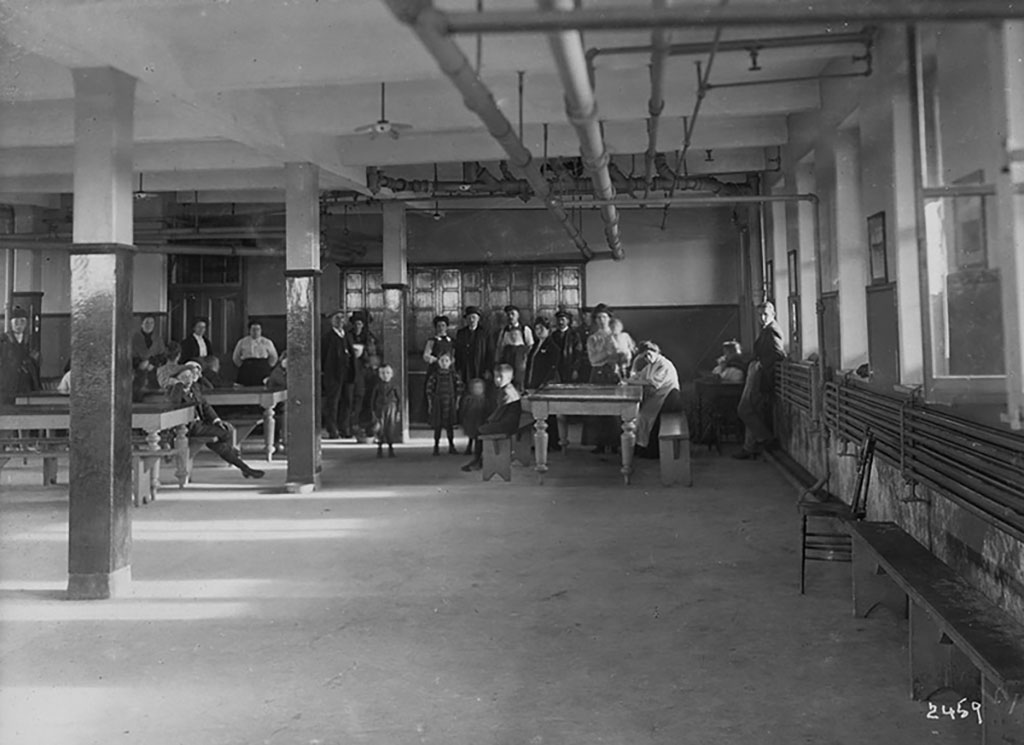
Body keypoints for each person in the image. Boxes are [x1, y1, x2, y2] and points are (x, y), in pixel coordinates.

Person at [166, 362, 265, 479]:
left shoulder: (195, 388)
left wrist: (217, 420)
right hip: (187, 428)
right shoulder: (174, 390)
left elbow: (205, 406)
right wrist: (178, 386)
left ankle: (244, 468)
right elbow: (174, 405)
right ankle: (240, 463)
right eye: (184, 377)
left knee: (226, 430)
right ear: (177, 379)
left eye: (190, 376)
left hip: (200, 425)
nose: (188, 379)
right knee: (225, 434)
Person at [734, 301, 787, 460]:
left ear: (773, 314)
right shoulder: (766, 330)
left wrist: (760, 365)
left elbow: (779, 354)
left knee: (744, 409)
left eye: (765, 314)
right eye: (760, 315)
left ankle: (766, 438)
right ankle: (749, 447)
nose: (762, 318)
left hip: (761, 375)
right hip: (758, 372)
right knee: (752, 410)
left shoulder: (772, 331)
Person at [461, 363, 522, 472]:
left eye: (501, 377)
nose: (497, 380)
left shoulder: (506, 393)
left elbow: (499, 412)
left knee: (479, 430)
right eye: (496, 377)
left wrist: (488, 422)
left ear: (510, 378)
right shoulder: (508, 389)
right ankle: (479, 459)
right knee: (482, 427)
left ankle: (478, 460)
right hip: (507, 422)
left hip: (507, 424)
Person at [626, 341, 682, 459]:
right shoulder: (651, 365)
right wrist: (630, 377)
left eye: (649, 354)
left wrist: (630, 381)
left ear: (656, 352)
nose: (647, 357)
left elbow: (652, 383)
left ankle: (649, 450)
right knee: (640, 415)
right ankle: (641, 447)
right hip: (658, 397)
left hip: (668, 399)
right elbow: (639, 376)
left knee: (644, 416)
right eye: (644, 356)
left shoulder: (664, 364)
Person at [584, 303, 621, 454]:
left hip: (613, 374)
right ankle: (599, 443)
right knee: (597, 408)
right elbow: (594, 360)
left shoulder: (616, 336)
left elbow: (620, 356)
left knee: (614, 408)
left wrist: (609, 354)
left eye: (604, 317)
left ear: (609, 318)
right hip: (597, 375)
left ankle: (615, 444)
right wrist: (608, 353)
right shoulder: (592, 338)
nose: (601, 320)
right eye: (598, 317)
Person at [525, 316, 563, 451]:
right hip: (533, 382)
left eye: (542, 328)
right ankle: (541, 442)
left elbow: (552, 367)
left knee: (549, 415)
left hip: (546, 384)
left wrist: (544, 383)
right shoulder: (535, 345)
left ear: (548, 330)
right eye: (536, 328)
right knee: (538, 415)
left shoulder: (553, 347)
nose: (538, 331)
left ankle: (553, 442)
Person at [321, 309, 356, 439]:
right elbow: (324, 356)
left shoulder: (347, 335)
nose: (340, 321)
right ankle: (332, 429)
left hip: (348, 374)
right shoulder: (327, 338)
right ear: (332, 321)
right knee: (333, 403)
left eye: (342, 318)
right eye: (337, 318)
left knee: (347, 401)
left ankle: (344, 427)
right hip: (333, 375)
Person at [425, 352, 464, 455]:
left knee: (449, 426)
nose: (444, 363)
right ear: (438, 362)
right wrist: (430, 404)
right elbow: (429, 390)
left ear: (451, 362)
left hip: (450, 402)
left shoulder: (454, 375)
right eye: (442, 360)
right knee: (437, 426)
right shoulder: (434, 376)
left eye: (446, 360)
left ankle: (451, 446)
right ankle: (436, 447)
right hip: (438, 402)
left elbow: (459, 389)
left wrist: (457, 402)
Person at [0, 306, 41, 404]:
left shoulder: (31, 341)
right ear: (11, 323)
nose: (19, 325)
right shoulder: (3, 339)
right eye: (16, 322)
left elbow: (36, 360)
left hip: (25, 382)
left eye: (22, 322)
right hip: (7, 382)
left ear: (26, 323)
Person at [495, 305, 534, 390]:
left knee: (519, 380)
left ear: (518, 315)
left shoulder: (525, 329)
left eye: (513, 314)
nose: (510, 317)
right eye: (508, 315)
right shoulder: (503, 331)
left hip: (520, 359)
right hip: (507, 358)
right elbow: (499, 347)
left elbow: (530, 345)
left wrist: (524, 357)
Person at [232, 320, 278, 386]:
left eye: (258, 329)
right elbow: (236, 357)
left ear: (261, 330)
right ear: (249, 330)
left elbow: (274, 357)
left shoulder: (267, 342)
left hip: (262, 367)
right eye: (253, 329)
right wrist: (243, 366)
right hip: (247, 368)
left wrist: (266, 366)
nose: (256, 332)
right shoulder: (242, 342)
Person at [453, 306, 492, 385]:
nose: (471, 320)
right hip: (465, 366)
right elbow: (458, 352)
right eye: (469, 318)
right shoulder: (461, 333)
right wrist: (458, 368)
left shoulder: (485, 333)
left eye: (474, 317)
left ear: (478, 319)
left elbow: (490, 351)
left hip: (480, 366)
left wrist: (488, 368)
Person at [370, 363, 400, 458]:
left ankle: (391, 448)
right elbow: (372, 399)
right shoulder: (377, 386)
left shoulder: (394, 386)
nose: (385, 375)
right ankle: (380, 449)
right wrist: (373, 411)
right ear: (379, 374)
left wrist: (398, 411)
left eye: (387, 373)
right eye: (383, 373)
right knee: (380, 429)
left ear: (391, 374)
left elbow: (399, 399)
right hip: (380, 408)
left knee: (390, 428)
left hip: (391, 408)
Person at [550, 309, 584, 384]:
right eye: (558, 320)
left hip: (569, 367)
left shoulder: (574, 335)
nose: (560, 322)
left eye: (563, 320)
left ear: (568, 321)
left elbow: (578, 353)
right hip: (557, 368)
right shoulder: (554, 335)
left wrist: (575, 369)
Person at [460, 378, 489, 457]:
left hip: (480, 419)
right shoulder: (469, 399)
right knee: (471, 434)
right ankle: (469, 447)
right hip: (470, 419)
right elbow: (463, 409)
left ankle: (478, 451)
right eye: (475, 388)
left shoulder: (484, 399)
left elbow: (487, 409)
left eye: (480, 388)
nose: (477, 390)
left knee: (478, 435)